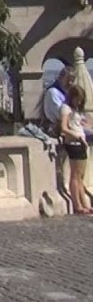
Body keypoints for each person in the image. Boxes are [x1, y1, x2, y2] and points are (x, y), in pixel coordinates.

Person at [60, 84, 91, 214]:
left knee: (80, 176)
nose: (78, 101)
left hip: (81, 143)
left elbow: (85, 122)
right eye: (77, 98)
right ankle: (77, 205)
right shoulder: (66, 108)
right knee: (75, 175)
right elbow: (64, 128)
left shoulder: (76, 110)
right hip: (74, 143)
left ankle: (84, 203)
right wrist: (77, 137)